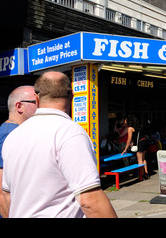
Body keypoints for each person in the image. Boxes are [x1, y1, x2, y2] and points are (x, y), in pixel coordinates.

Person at [1, 71, 117, 218]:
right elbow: (90, 200)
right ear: (72, 96)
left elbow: (6, 194)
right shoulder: (70, 132)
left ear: (37, 98)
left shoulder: (13, 136)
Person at [0, 85, 37, 217]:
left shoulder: (16, 132)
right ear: (19, 106)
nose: (42, 106)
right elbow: (1, 192)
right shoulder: (9, 135)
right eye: (36, 102)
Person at [121, 114, 150, 179]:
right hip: (145, 141)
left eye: (125, 120)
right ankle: (146, 173)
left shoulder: (130, 128)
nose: (124, 121)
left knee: (139, 160)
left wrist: (125, 148)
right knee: (143, 159)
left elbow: (129, 139)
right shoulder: (139, 126)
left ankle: (141, 176)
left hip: (140, 143)